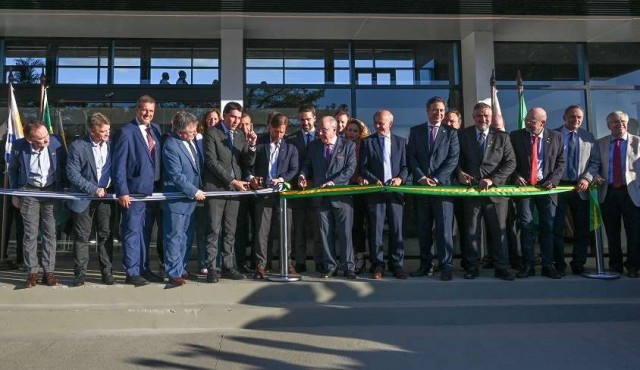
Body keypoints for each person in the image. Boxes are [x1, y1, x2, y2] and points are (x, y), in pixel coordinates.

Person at [456, 102, 516, 281]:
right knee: (471, 231)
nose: (483, 119)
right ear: (473, 117)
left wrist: (494, 180)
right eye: (479, 116)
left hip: (495, 194)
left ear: (491, 117)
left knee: (499, 231)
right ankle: (472, 267)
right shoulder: (463, 135)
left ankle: (501, 267)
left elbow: (510, 163)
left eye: (486, 116)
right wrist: (459, 173)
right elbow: (456, 160)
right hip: (471, 192)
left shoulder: (502, 137)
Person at [112, 95, 164, 286]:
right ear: (137, 110)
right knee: (132, 232)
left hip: (153, 193)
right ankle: (131, 272)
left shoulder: (156, 130)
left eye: (151, 111)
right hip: (133, 193)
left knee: (146, 233)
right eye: (144, 110)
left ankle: (144, 269)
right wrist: (122, 191)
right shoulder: (126, 132)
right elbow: (118, 165)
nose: (147, 114)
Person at [203, 101, 257, 283]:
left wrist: (251, 147)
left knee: (230, 231)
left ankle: (228, 266)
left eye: (238, 118)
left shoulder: (241, 135)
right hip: (217, 189)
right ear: (225, 115)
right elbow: (211, 162)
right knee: (213, 230)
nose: (236, 121)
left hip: (235, 192)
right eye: (232, 117)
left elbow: (246, 163)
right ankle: (211, 267)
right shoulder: (212, 133)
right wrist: (232, 181)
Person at [8, 120, 67, 288]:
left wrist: (63, 191)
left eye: (46, 135)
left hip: (51, 190)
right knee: (30, 234)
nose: (46, 140)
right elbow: (12, 170)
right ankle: (32, 272)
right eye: (41, 138)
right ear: (30, 140)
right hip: (28, 191)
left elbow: (63, 165)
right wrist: (15, 193)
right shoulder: (19, 146)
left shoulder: (55, 142)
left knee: (50, 233)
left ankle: (49, 272)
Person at [407, 96, 459, 281]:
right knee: (423, 228)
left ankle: (446, 266)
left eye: (441, 111)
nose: (438, 114)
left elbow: (453, 160)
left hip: (442, 189)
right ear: (428, 111)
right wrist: (421, 177)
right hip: (421, 189)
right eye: (435, 110)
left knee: (444, 230)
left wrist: (436, 178)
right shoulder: (415, 131)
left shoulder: (451, 133)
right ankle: (425, 265)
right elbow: (411, 157)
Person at [298, 116, 357, 279]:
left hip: (341, 196)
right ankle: (330, 266)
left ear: (334, 129)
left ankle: (348, 266)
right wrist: (302, 175)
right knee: (325, 233)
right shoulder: (314, 146)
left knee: (345, 233)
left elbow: (350, 169)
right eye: (319, 130)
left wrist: (333, 182)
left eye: (324, 130)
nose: (320, 133)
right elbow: (307, 165)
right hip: (321, 197)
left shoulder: (348, 145)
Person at [511, 107, 565, 279]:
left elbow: (560, 162)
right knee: (526, 226)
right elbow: (509, 161)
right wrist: (516, 175)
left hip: (546, 188)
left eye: (532, 120)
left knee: (547, 227)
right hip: (525, 188)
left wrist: (554, 180)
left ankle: (548, 265)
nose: (528, 122)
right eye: (527, 119)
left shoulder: (556, 137)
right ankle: (528, 265)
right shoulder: (516, 136)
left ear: (543, 122)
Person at [359, 109, 409, 279]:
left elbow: (405, 167)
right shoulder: (367, 142)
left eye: (383, 122)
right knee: (376, 230)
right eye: (377, 122)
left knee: (397, 229)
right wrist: (373, 180)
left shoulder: (401, 142)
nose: (379, 125)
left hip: (395, 192)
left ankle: (397, 265)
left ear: (391, 124)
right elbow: (363, 167)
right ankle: (378, 265)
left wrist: (400, 179)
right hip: (376, 192)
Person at [67, 113, 115, 286]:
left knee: (106, 235)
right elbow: (72, 174)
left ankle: (107, 273)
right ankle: (80, 274)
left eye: (108, 130)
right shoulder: (78, 146)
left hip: (106, 198)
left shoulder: (111, 143)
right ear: (92, 130)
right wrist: (93, 189)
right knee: (82, 237)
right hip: (84, 197)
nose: (107, 134)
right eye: (103, 131)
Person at [249, 112, 299, 278]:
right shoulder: (260, 142)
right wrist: (251, 179)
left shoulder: (291, 147)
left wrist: (282, 178)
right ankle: (261, 265)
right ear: (270, 126)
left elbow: (294, 169)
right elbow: (250, 164)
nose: (279, 135)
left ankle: (287, 263)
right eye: (276, 131)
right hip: (263, 193)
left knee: (286, 230)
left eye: (282, 132)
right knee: (262, 231)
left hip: (283, 195)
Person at [552, 105, 601, 275]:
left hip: (580, 188)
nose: (576, 120)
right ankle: (559, 264)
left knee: (582, 228)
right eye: (572, 117)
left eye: (579, 117)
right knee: (556, 227)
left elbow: (595, 162)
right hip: (558, 187)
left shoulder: (588, 137)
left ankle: (578, 263)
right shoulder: (553, 135)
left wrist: (587, 178)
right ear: (565, 118)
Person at [161, 111, 205, 287]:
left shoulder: (191, 141)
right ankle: (173, 273)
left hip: (191, 200)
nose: (195, 134)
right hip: (177, 199)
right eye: (191, 131)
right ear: (180, 132)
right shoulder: (171, 145)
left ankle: (182, 268)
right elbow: (176, 175)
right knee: (174, 236)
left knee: (186, 236)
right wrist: (194, 191)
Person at [594, 111, 640, 278]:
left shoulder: (638, 142)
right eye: (615, 122)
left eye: (623, 121)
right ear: (608, 125)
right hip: (609, 191)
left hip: (632, 192)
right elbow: (594, 165)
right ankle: (615, 265)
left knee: (634, 232)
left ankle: (633, 266)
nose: (620, 124)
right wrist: (595, 175)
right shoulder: (600, 143)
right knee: (612, 232)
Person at [288, 104, 323, 273]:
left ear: (314, 118)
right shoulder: (292, 139)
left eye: (308, 119)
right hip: (298, 190)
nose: (305, 123)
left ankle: (319, 261)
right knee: (299, 228)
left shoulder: (322, 136)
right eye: (302, 120)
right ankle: (300, 261)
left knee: (318, 228)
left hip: (317, 189)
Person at [193, 108, 221, 275]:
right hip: (200, 189)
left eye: (215, 119)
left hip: (217, 190)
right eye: (209, 119)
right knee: (202, 228)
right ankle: (203, 262)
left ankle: (215, 263)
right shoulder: (199, 139)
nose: (212, 122)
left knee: (215, 229)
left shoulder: (222, 138)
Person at [344, 118, 370, 274]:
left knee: (358, 225)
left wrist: (361, 177)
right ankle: (349, 257)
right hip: (344, 189)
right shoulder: (340, 145)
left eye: (355, 131)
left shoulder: (364, 146)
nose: (352, 133)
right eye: (350, 130)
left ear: (360, 133)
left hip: (360, 189)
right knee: (347, 226)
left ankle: (360, 256)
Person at [235, 110, 257, 272]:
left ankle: (257, 263)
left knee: (258, 229)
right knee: (240, 229)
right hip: (239, 190)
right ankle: (240, 262)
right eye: (241, 124)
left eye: (247, 124)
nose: (244, 127)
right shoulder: (234, 140)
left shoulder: (258, 140)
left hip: (257, 192)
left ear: (252, 125)